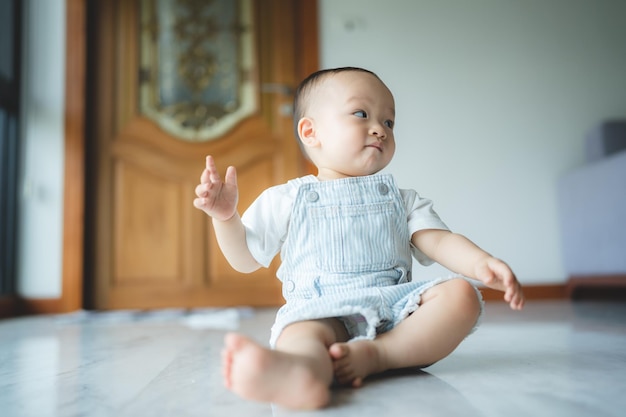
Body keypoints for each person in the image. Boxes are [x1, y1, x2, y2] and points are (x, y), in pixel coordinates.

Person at [193, 67, 525, 410]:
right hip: (321, 313)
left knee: (462, 295)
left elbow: (439, 241)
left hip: (397, 312)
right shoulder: (287, 199)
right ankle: (300, 373)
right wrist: (226, 218)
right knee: (302, 337)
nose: (380, 129)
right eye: (361, 114)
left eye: (389, 122)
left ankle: (380, 354)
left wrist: (480, 262)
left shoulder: (402, 199)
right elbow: (244, 259)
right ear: (311, 131)